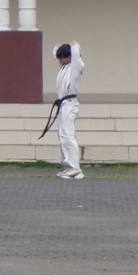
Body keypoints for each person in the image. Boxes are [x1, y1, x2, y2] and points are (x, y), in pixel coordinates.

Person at [52, 43, 85, 179]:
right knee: (63, 135)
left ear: (69, 57)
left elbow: (77, 59)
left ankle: (75, 167)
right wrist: (58, 47)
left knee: (68, 135)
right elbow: (55, 53)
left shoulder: (75, 67)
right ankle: (69, 165)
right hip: (63, 104)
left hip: (70, 104)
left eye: (62, 57)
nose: (60, 60)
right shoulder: (64, 68)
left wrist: (75, 47)